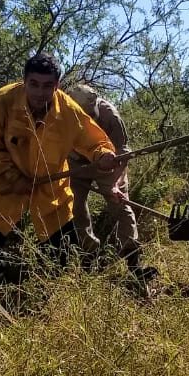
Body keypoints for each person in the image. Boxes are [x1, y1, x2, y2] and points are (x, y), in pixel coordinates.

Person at [0, 53, 120, 270]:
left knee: (60, 264)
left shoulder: (68, 111)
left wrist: (102, 155)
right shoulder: (3, 101)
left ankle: (39, 298)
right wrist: (14, 178)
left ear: (57, 85)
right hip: (6, 191)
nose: (40, 93)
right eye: (34, 84)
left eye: (47, 86)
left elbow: (94, 141)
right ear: (24, 80)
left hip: (52, 196)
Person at [62, 83, 144, 274]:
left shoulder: (110, 115)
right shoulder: (62, 114)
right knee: (74, 206)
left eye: (92, 115)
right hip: (77, 164)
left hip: (108, 162)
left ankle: (133, 262)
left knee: (121, 204)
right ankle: (89, 255)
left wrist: (115, 185)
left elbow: (124, 153)